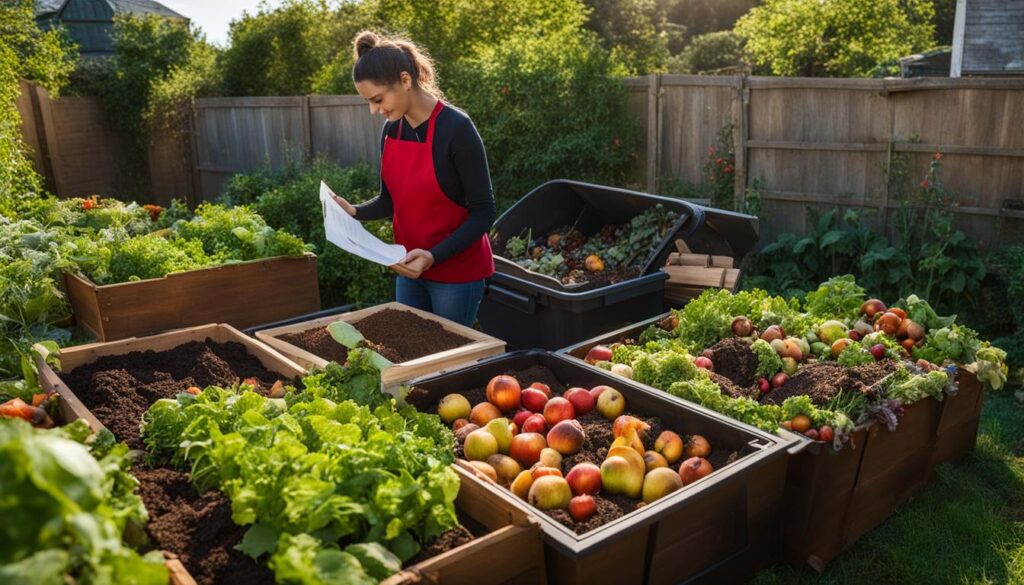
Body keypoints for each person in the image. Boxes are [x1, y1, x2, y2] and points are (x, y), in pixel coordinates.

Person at [329, 30, 495, 328]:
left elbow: (484, 212)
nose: (374, 110)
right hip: (410, 270)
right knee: (412, 356)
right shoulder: (393, 130)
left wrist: (433, 255)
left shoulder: (457, 128)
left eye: (377, 99)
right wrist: (353, 211)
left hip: (457, 275)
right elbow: (390, 200)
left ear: (405, 81)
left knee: (448, 364)